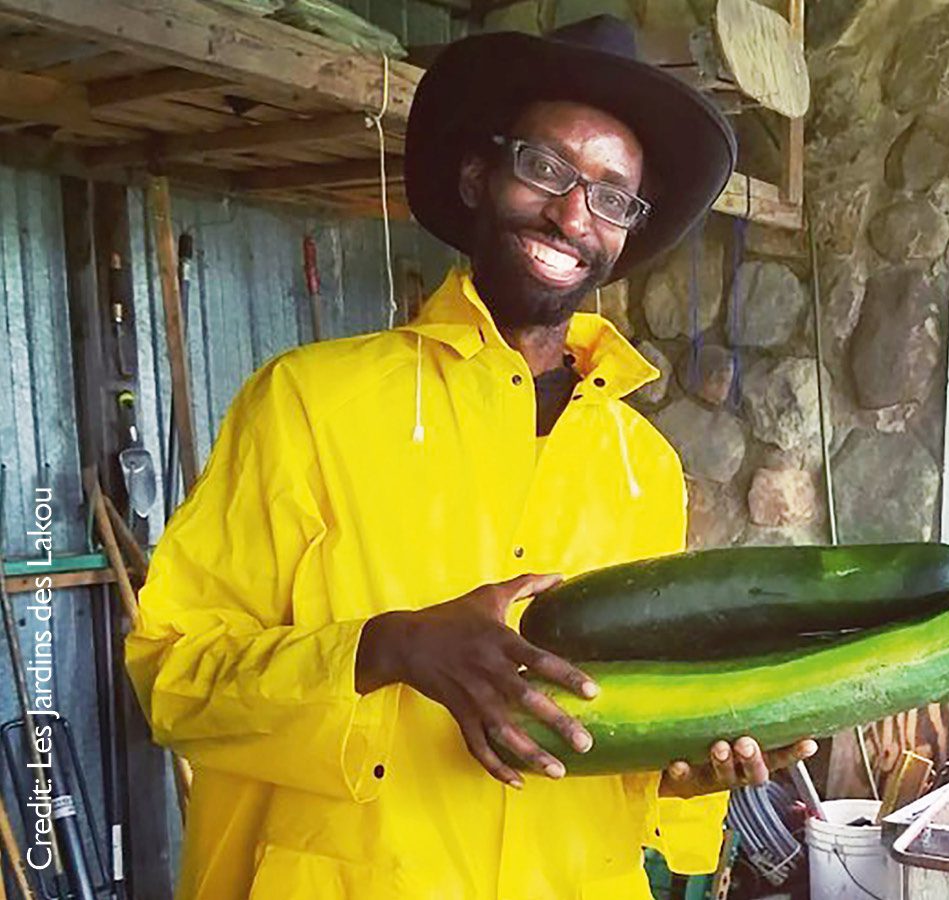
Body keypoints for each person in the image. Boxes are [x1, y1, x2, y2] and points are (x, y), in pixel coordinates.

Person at [126, 15, 816, 900]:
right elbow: (173, 679)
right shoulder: (306, 404)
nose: (574, 211)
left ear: (625, 236)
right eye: (546, 167)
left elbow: (622, 741)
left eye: (611, 195)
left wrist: (685, 781)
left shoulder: (643, 466)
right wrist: (387, 648)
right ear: (478, 175)